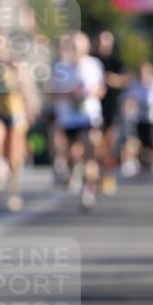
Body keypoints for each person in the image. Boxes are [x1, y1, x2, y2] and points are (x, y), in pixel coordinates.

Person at [0, 36, 39, 211]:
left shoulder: (16, 64)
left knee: (13, 155)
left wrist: (30, 108)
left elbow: (26, 87)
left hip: (14, 112)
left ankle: (13, 191)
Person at [48, 32, 106, 210]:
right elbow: (50, 92)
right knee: (73, 155)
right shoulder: (60, 67)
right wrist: (67, 93)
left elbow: (101, 89)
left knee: (90, 151)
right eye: (71, 45)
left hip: (89, 116)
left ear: (85, 47)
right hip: (68, 119)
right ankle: (75, 172)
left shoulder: (93, 64)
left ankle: (88, 190)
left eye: (77, 45)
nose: (74, 49)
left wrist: (90, 92)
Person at [93, 30, 129, 195]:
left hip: (110, 109)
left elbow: (126, 79)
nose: (103, 45)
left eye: (106, 42)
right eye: (101, 41)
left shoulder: (116, 62)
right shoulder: (92, 61)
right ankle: (94, 173)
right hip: (92, 110)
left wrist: (113, 80)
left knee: (109, 144)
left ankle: (107, 174)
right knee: (94, 143)